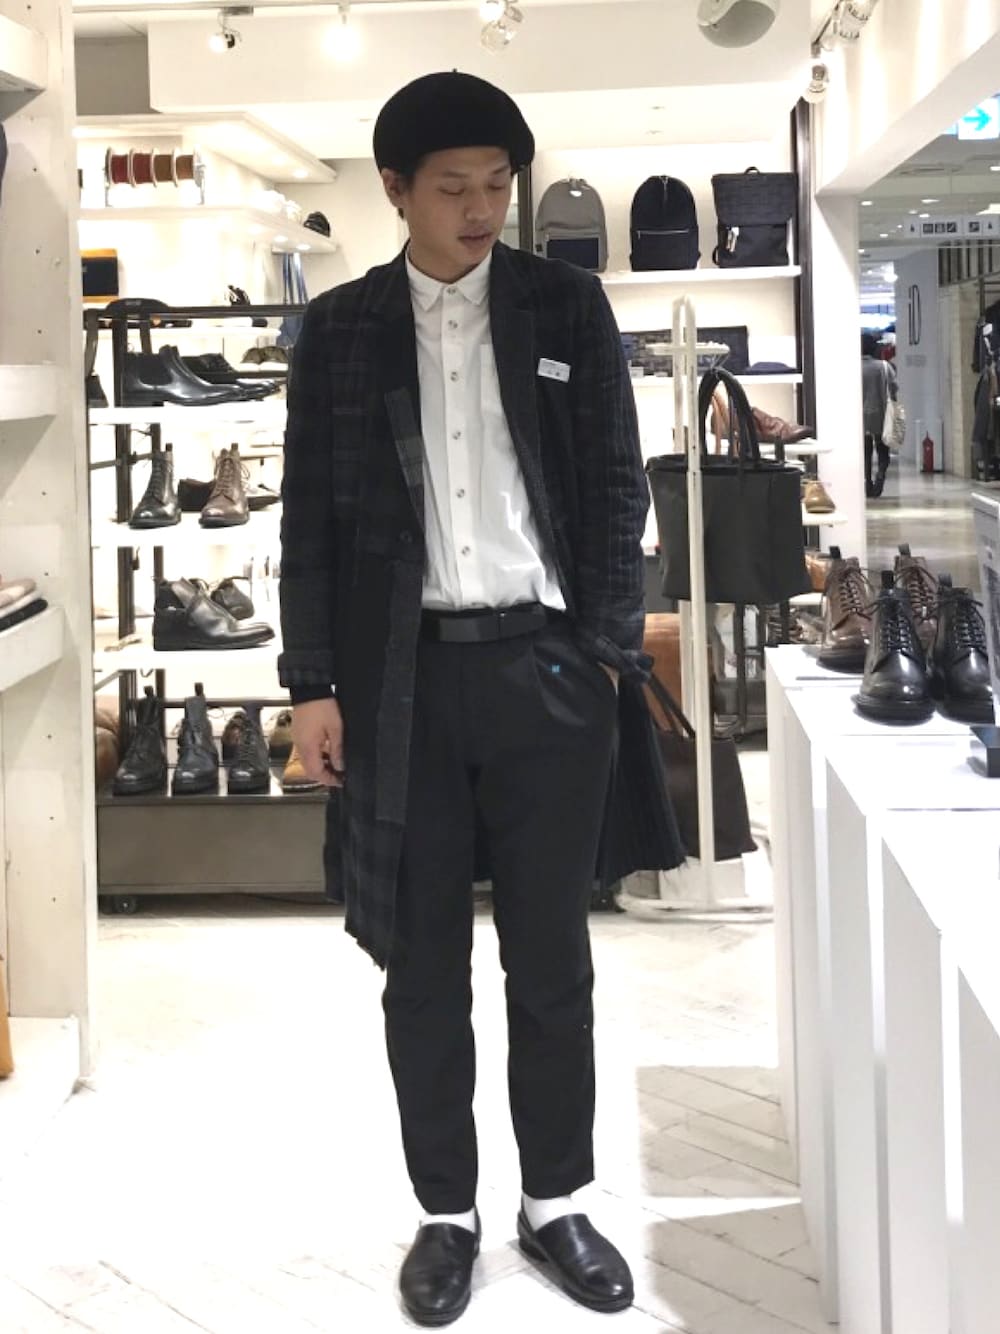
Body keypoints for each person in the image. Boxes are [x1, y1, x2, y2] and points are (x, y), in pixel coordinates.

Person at [278, 71, 682, 1327]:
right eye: (452, 186)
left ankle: (556, 1198)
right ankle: (445, 1211)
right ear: (394, 190)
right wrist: (309, 684)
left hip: (545, 669)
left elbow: (615, 484)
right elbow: (307, 521)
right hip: (397, 681)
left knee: (552, 956)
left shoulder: (563, 303)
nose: (478, 209)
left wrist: (604, 650)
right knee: (419, 965)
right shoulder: (341, 329)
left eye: (496, 184)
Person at [861, 331, 897, 498]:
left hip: (860, 417)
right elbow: (894, 388)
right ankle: (880, 476)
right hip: (881, 414)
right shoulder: (884, 366)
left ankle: (866, 482)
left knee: (865, 451)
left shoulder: (851, 367)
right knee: (883, 449)